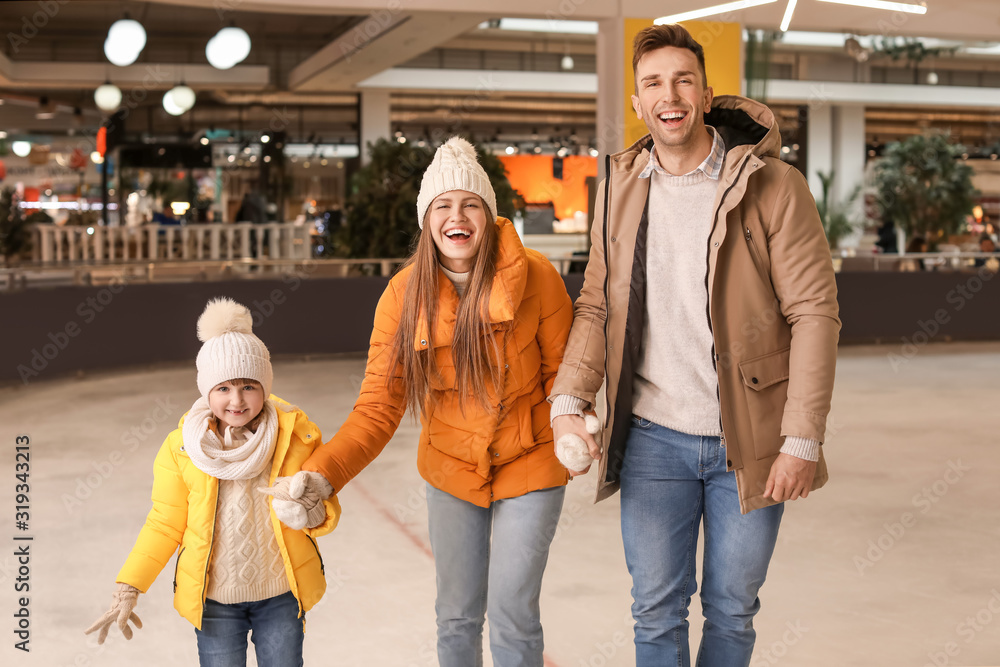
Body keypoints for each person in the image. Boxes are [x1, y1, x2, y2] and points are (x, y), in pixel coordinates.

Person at [547, 24, 840, 667]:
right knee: (655, 611)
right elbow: (598, 301)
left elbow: (814, 314)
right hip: (653, 436)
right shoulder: (620, 186)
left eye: (683, 79)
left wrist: (801, 437)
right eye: (653, 82)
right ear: (636, 101)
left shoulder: (774, 186)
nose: (668, 94)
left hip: (753, 438)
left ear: (706, 95)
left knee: (732, 612)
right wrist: (569, 393)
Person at [270, 136, 574, 667]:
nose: (457, 216)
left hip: (532, 462)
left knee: (513, 611)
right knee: (456, 614)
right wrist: (322, 476)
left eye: (470, 204)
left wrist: (577, 427)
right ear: (427, 218)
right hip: (451, 470)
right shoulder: (403, 295)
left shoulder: (541, 280)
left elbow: (563, 379)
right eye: (443, 205)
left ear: (489, 214)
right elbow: (376, 408)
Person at [85, 298, 340, 667]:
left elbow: (325, 509)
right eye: (223, 388)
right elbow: (165, 522)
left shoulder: (296, 436)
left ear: (264, 387)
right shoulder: (184, 447)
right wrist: (129, 585)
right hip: (215, 601)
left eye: (249, 386)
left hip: (282, 595)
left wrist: (311, 508)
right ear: (207, 390)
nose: (236, 400)